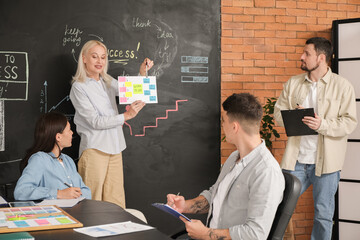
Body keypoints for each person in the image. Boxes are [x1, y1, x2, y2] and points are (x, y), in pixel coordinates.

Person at [167, 93, 285, 240]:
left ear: (234, 127)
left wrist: (204, 234)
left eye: (223, 121)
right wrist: (185, 206)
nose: (222, 125)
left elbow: (255, 234)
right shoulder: (233, 158)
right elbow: (215, 195)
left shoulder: (266, 172)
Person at [274, 37, 357, 240]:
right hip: (295, 161)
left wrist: (322, 125)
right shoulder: (293, 83)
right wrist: (294, 115)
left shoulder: (343, 86)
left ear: (321, 58)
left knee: (323, 215)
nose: (301, 57)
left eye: (307, 54)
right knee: (277, 206)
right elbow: (277, 114)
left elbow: (349, 122)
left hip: (327, 165)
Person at [69, 40, 153, 208]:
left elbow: (133, 90)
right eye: (95, 57)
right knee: (92, 203)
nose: (100, 61)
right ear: (84, 58)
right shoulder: (79, 87)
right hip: (94, 149)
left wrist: (142, 73)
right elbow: (94, 122)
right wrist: (126, 116)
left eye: (103, 57)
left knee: (116, 202)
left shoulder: (108, 82)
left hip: (115, 147)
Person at [14, 112, 91, 200]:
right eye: (69, 129)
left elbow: (86, 191)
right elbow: (21, 191)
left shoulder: (68, 160)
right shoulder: (39, 159)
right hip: (53, 212)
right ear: (58, 137)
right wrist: (59, 193)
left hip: (75, 211)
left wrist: (75, 194)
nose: (72, 132)